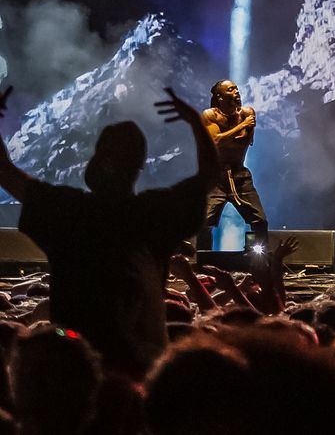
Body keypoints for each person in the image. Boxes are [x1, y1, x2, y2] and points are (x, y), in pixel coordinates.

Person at [0, 83, 216, 376]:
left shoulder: (69, 210)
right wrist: (196, 123)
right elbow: (207, 177)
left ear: (101, 161)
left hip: (74, 361)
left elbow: (6, 172)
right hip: (139, 368)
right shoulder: (153, 214)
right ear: (139, 166)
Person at [200, 78, 268, 250]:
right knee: (203, 222)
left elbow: (242, 140)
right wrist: (241, 126)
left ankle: (257, 261)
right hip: (216, 178)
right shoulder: (209, 115)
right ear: (219, 97)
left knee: (259, 220)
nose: (236, 92)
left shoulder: (247, 113)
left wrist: (238, 129)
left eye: (236, 89)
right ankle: (202, 264)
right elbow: (215, 140)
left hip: (240, 176)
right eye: (230, 90)